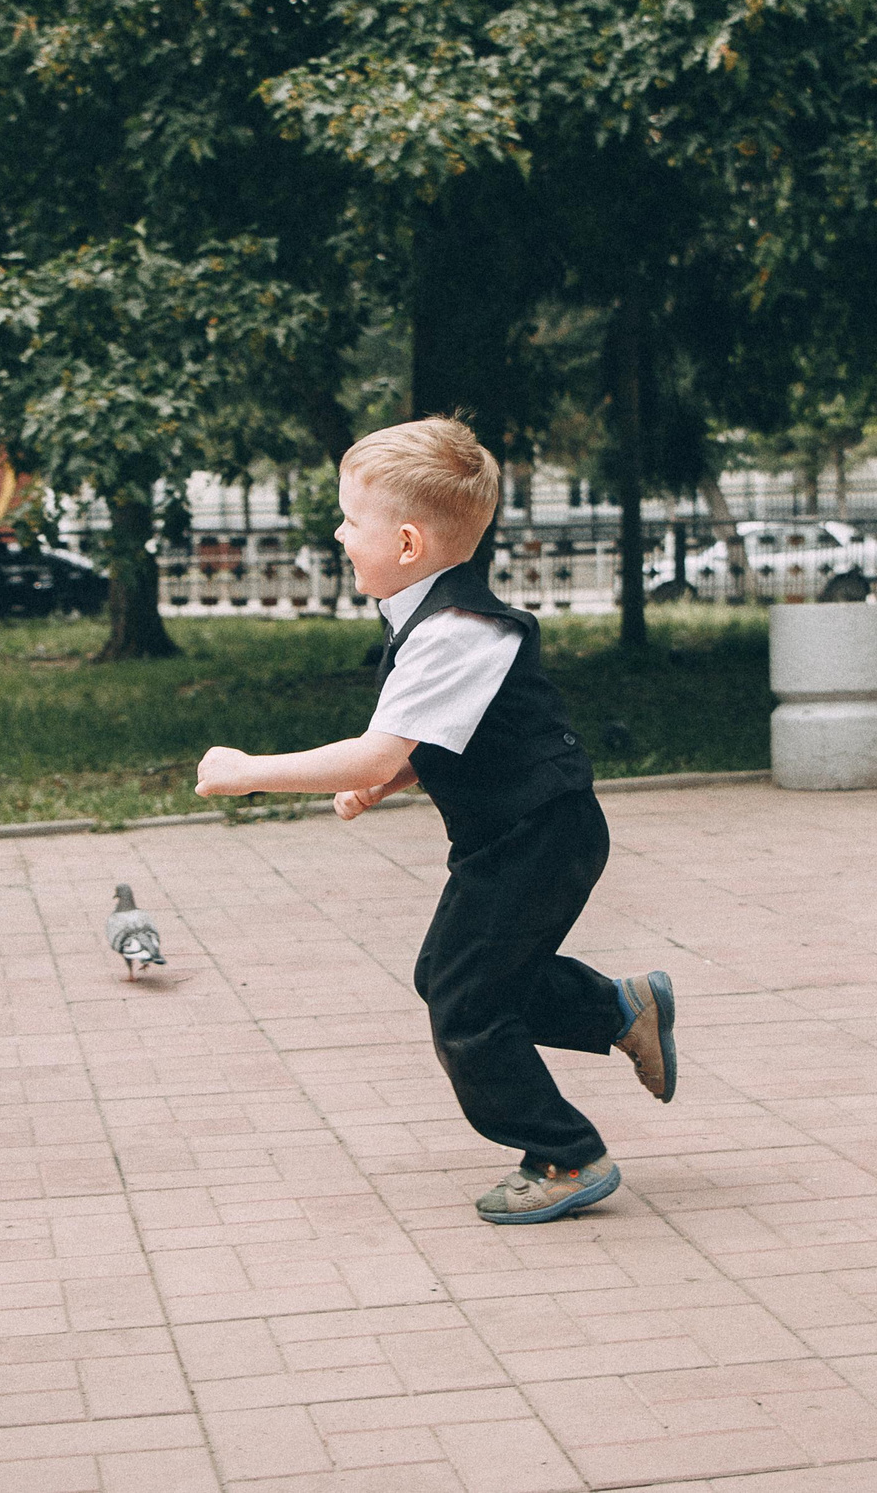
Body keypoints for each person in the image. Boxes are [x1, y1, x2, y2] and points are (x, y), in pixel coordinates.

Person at [194, 415, 677, 1221]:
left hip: (540, 835)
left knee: (466, 1004)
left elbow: (374, 750)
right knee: (454, 977)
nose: (339, 534)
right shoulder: (430, 618)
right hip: (517, 834)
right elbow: (438, 735)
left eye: (351, 520)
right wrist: (388, 782)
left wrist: (251, 773)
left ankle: (566, 1155)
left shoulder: (455, 631)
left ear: (408, 542)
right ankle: (619, 1009)